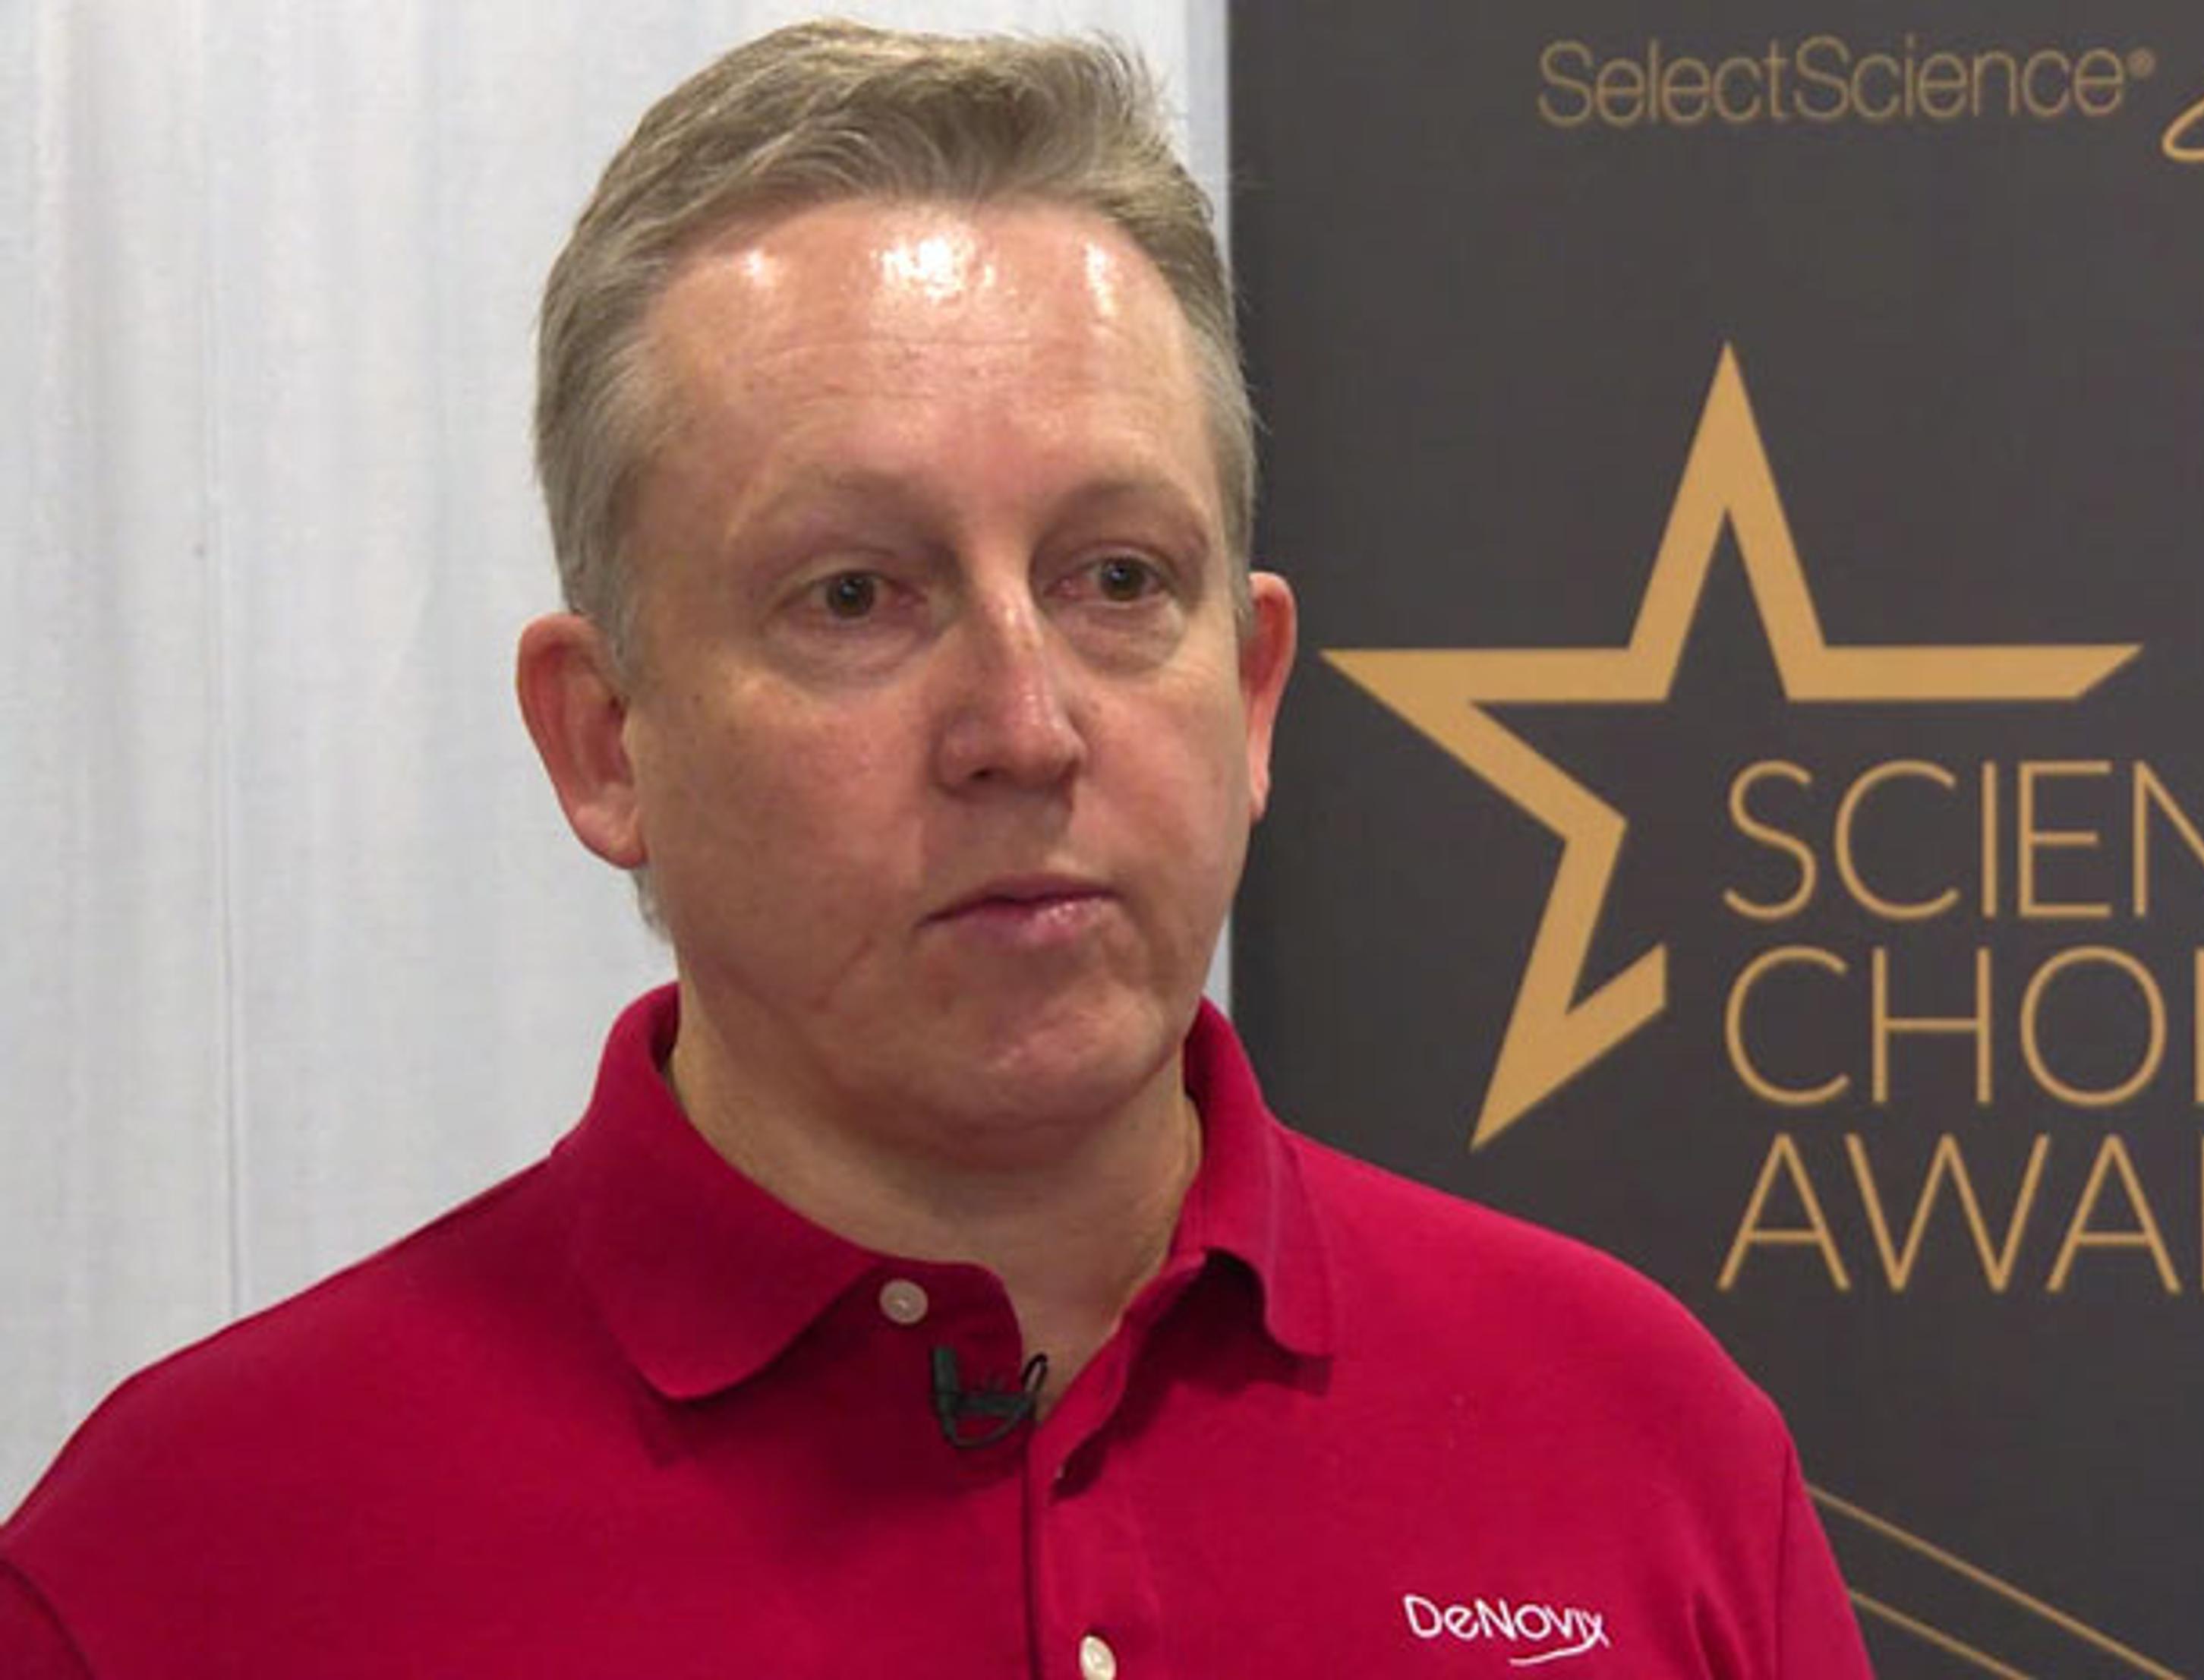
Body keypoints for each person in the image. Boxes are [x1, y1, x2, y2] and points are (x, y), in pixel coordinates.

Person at [0, 23, 1875, 1677]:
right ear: (605, 741)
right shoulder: (189, 1566)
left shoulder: (1642, 1444)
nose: (1024, 726)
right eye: (855, 596)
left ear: (1252, 691)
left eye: (1117, 579)